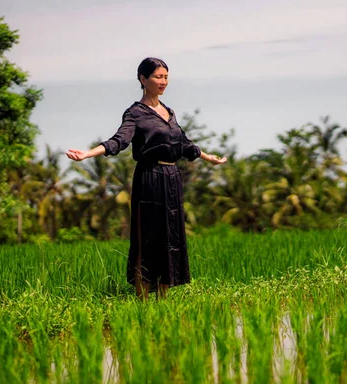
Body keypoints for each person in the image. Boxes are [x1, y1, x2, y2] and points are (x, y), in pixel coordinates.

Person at [66, 57, 227, 300]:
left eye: (166, 77)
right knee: (148, 237)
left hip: (172, 178)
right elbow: (118, 141)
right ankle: (142, 301)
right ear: (143, 79)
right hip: (149, 178)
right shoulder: (135, 113)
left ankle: (162, 299)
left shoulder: (169, 112)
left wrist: (208, 157)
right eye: (158, 77)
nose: (163, 82)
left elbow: (183, 144)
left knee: (170, 235)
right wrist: (89, 153)